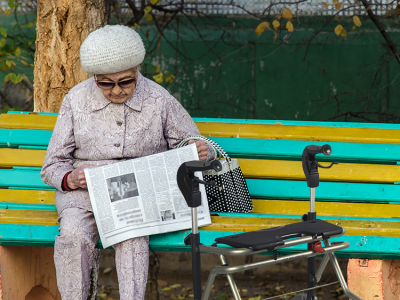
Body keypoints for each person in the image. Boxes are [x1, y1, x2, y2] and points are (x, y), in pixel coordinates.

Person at [40, 25, 213, 300]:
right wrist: (71, 178)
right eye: (106, 83)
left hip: (139, 194)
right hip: (84, 194)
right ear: (94, 77)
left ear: (137, 72)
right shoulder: (76, 99)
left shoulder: (158, 98)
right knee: (72, 237)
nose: (117, 91)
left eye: (126, 81)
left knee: (132, 236)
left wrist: (200, 150)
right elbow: (51, 166)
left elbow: (195, 145)